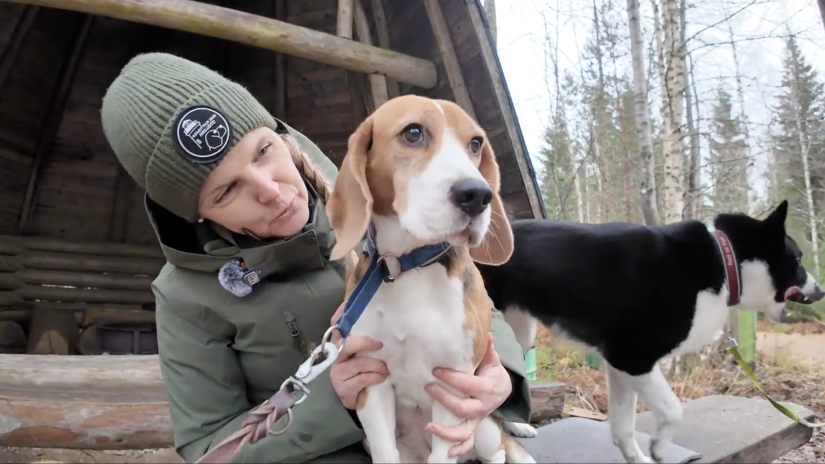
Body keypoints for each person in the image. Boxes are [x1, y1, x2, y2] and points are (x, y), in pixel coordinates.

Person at [100, 52, 532, 463]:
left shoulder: (364, 186)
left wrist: (503, 377)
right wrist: (335, 402)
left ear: (279, 134)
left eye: (264, 151)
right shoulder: (184, 296)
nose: (271, 190)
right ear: (197, 215)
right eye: (228, 190)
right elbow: (208, 449)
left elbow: (467, 294)